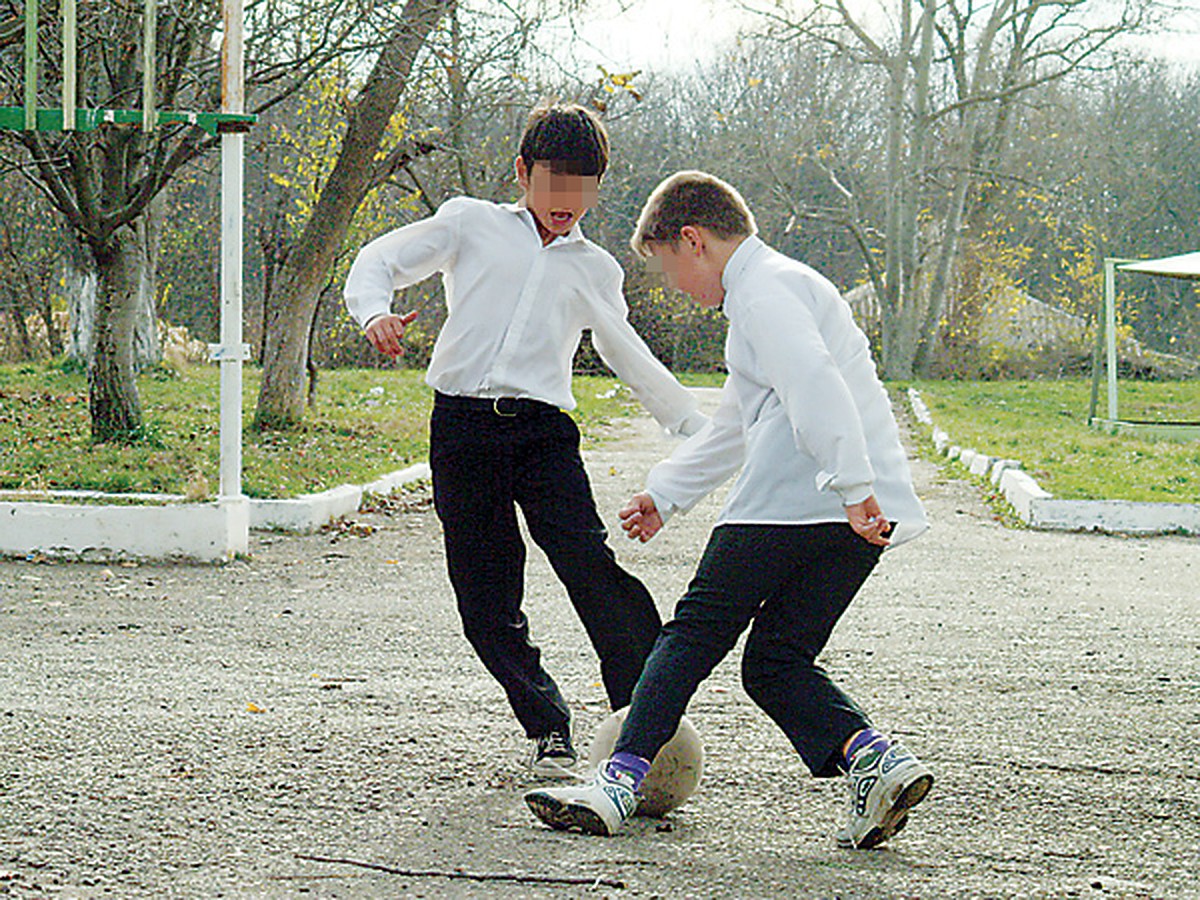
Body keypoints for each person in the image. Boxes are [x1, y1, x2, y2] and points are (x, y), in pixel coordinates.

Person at [524, 171, 933, 848]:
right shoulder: (782, 289)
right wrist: (668, 491)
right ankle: (877, 761)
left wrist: (850, 483)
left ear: (694, 240)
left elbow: (812, 380)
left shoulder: (764, 291)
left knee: (688, 637)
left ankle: (618, 781)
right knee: (776, 662)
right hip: (861, 513)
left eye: (668, 269)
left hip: (805, 499)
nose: (677, 288)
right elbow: (738, 423)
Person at [343, 105, 707, 779]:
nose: (567, 201)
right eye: (554, 182)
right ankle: (547, 725)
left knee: (589, 566)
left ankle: (645, 716)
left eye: (585, 185)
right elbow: (378, 260)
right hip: (462, 429)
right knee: (485, 599)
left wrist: (696, 430)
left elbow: (624, 350)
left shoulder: (596, 268)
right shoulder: (470, 223)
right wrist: (373, 314)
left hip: (543, 435)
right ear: (522, 172)